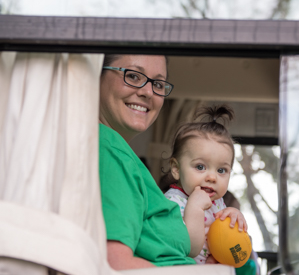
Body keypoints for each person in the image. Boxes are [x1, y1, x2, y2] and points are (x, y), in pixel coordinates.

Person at [98, 54, 196, 270]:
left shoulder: (116, 150)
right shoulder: (111, 151)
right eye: (133, 76)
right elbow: (115, 265)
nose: (147, 91)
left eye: (158, 84)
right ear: (97, 75)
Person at [164, 105, 257, 274]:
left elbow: (228, 246)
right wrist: (195, 208)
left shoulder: (219, 203)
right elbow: (191, 249)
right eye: (200, 167)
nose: (212, 177)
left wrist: (234, 218)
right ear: (176, 169)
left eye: (221, 170)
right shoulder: (172, 202)